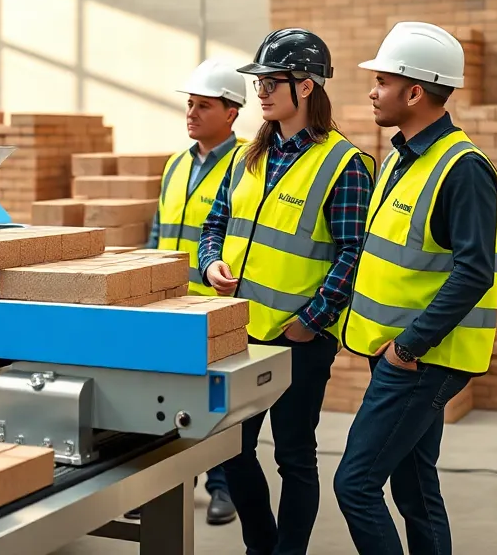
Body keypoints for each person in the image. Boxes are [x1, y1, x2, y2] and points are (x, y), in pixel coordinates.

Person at [198, 29, 374, 555]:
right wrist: (211, 264)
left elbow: (353, 253)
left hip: (301, 339)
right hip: (240, 334)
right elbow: (215, 223)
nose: (262, 92)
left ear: (307, 87)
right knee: (233, 449)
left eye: (273, 82)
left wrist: (311, 321)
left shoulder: (344, 164)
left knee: (294, 456)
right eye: (260, 82)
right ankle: (263, 547)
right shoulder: (246, 157)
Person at [333, 21, 497, 555]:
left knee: (354, 484)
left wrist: (409, 347)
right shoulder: (403, 157)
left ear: (414, 91)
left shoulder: (463, 168)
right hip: (397, 354)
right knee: (414, 487)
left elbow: (475, 271)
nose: (371, 91)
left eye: (381, 81)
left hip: (422, 359)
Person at [131, 58, 246, 525]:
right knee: (165, 397)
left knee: (216, 400)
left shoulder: (246, 166)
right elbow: (158, 232)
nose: (191, 114)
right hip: (169, 303)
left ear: (232, 112)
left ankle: (223, 486)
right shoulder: (176, 164)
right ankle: (173, 482)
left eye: (203, 106)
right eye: (190, 105)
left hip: (213, 304)